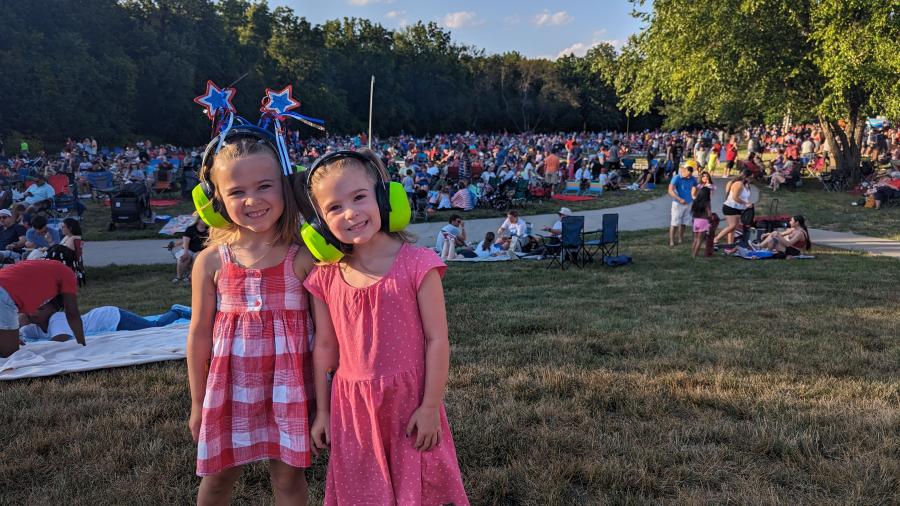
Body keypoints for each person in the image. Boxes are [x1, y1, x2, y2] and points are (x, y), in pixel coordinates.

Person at [301, 150, 469, 505]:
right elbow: (325, 349)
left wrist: (429, 407)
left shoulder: (418, 264)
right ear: (319, 224)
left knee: (421, 489)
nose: (350, 213)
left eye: (359, 197)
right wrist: (323, 412)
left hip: (409, 402)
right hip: (353, 409)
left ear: (384, 197)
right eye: (333, 208)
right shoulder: (326, 277)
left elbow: (437, 340)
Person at [186, 134, 316, 503]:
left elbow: (326, 336)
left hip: (290, 391)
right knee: (216, 479)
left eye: (264, 186)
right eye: (237, 191)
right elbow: (198, 338)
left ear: (285, 189)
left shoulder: (304, 258)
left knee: (289, 481)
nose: (252, 200)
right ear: (215, 201)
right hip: (229, 391)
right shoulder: (211, 261)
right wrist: (198, 402)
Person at [0, 259, 85, 358]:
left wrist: (11, 336)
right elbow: (72, 313)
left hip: (4, 293)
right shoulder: (68, 274)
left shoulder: (41, 267)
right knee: (11, 355)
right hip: (3, 295)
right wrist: (82, 344)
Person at [19, 299, 192, 343]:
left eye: (40, 308)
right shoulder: (35, 327)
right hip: (106, 319)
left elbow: (60, 341)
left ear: (53, 310)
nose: (34, 311)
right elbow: (20, 337)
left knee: (154, 327)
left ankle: (176, 311)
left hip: (110, 318)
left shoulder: (58, 319)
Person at [714, 170, 755, 246]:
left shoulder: (746, 185)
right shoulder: (738, 184)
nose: (752, 179)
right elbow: (735, 197)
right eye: (750, 177)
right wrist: (746, 203)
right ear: (745, 176)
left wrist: (748, 203)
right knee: (733, 226)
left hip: (739, 208)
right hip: (730, 207)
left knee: (732, 228)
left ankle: (730, 244)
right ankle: (716, 239)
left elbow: (744, 197)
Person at [668, 162, 698, 247]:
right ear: (684, 170)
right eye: (688, 175)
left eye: (690, 175)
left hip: (689, 203)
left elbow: (696, 187)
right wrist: (679, 199)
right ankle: (672, 240)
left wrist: (694, 195)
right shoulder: (677, 178)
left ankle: (680, 238)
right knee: (675, 222)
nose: (689, 177)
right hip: (678, 204)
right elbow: (670, 190)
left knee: (684, 222)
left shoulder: (692, 178)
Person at [173, 216, 208, 284]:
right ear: (198, 220)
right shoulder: (191, 229)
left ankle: (191, 276)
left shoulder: (210, 230)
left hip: (202, 251)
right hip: (189, 249)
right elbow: (185, 241)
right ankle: (179, 277)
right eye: (203, 219)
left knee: (197, 256)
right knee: (184, 258)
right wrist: (186, 252)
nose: (205, 221)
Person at [690, 187, 713, 258]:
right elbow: (709, 214)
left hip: (696, 221)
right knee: (700, 240)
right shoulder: (706, 203)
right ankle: (695, 255)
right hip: (703, 221)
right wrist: (711, 216)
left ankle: (692, 253)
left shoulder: (696, 201)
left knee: (695, 239)